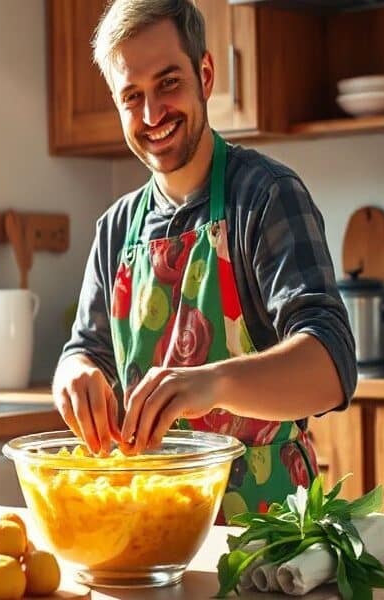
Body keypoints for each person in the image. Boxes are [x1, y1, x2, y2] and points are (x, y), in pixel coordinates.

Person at [54, 0, 357, 519]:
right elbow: (83, 354)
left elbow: (332, 365)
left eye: (168, 83)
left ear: (206, 74)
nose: (152, 115)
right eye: (132, 97)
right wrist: (75, 375)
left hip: (266, 533)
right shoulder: (114, 231)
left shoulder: (265, 196)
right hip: (151, 525)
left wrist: (212, 384)